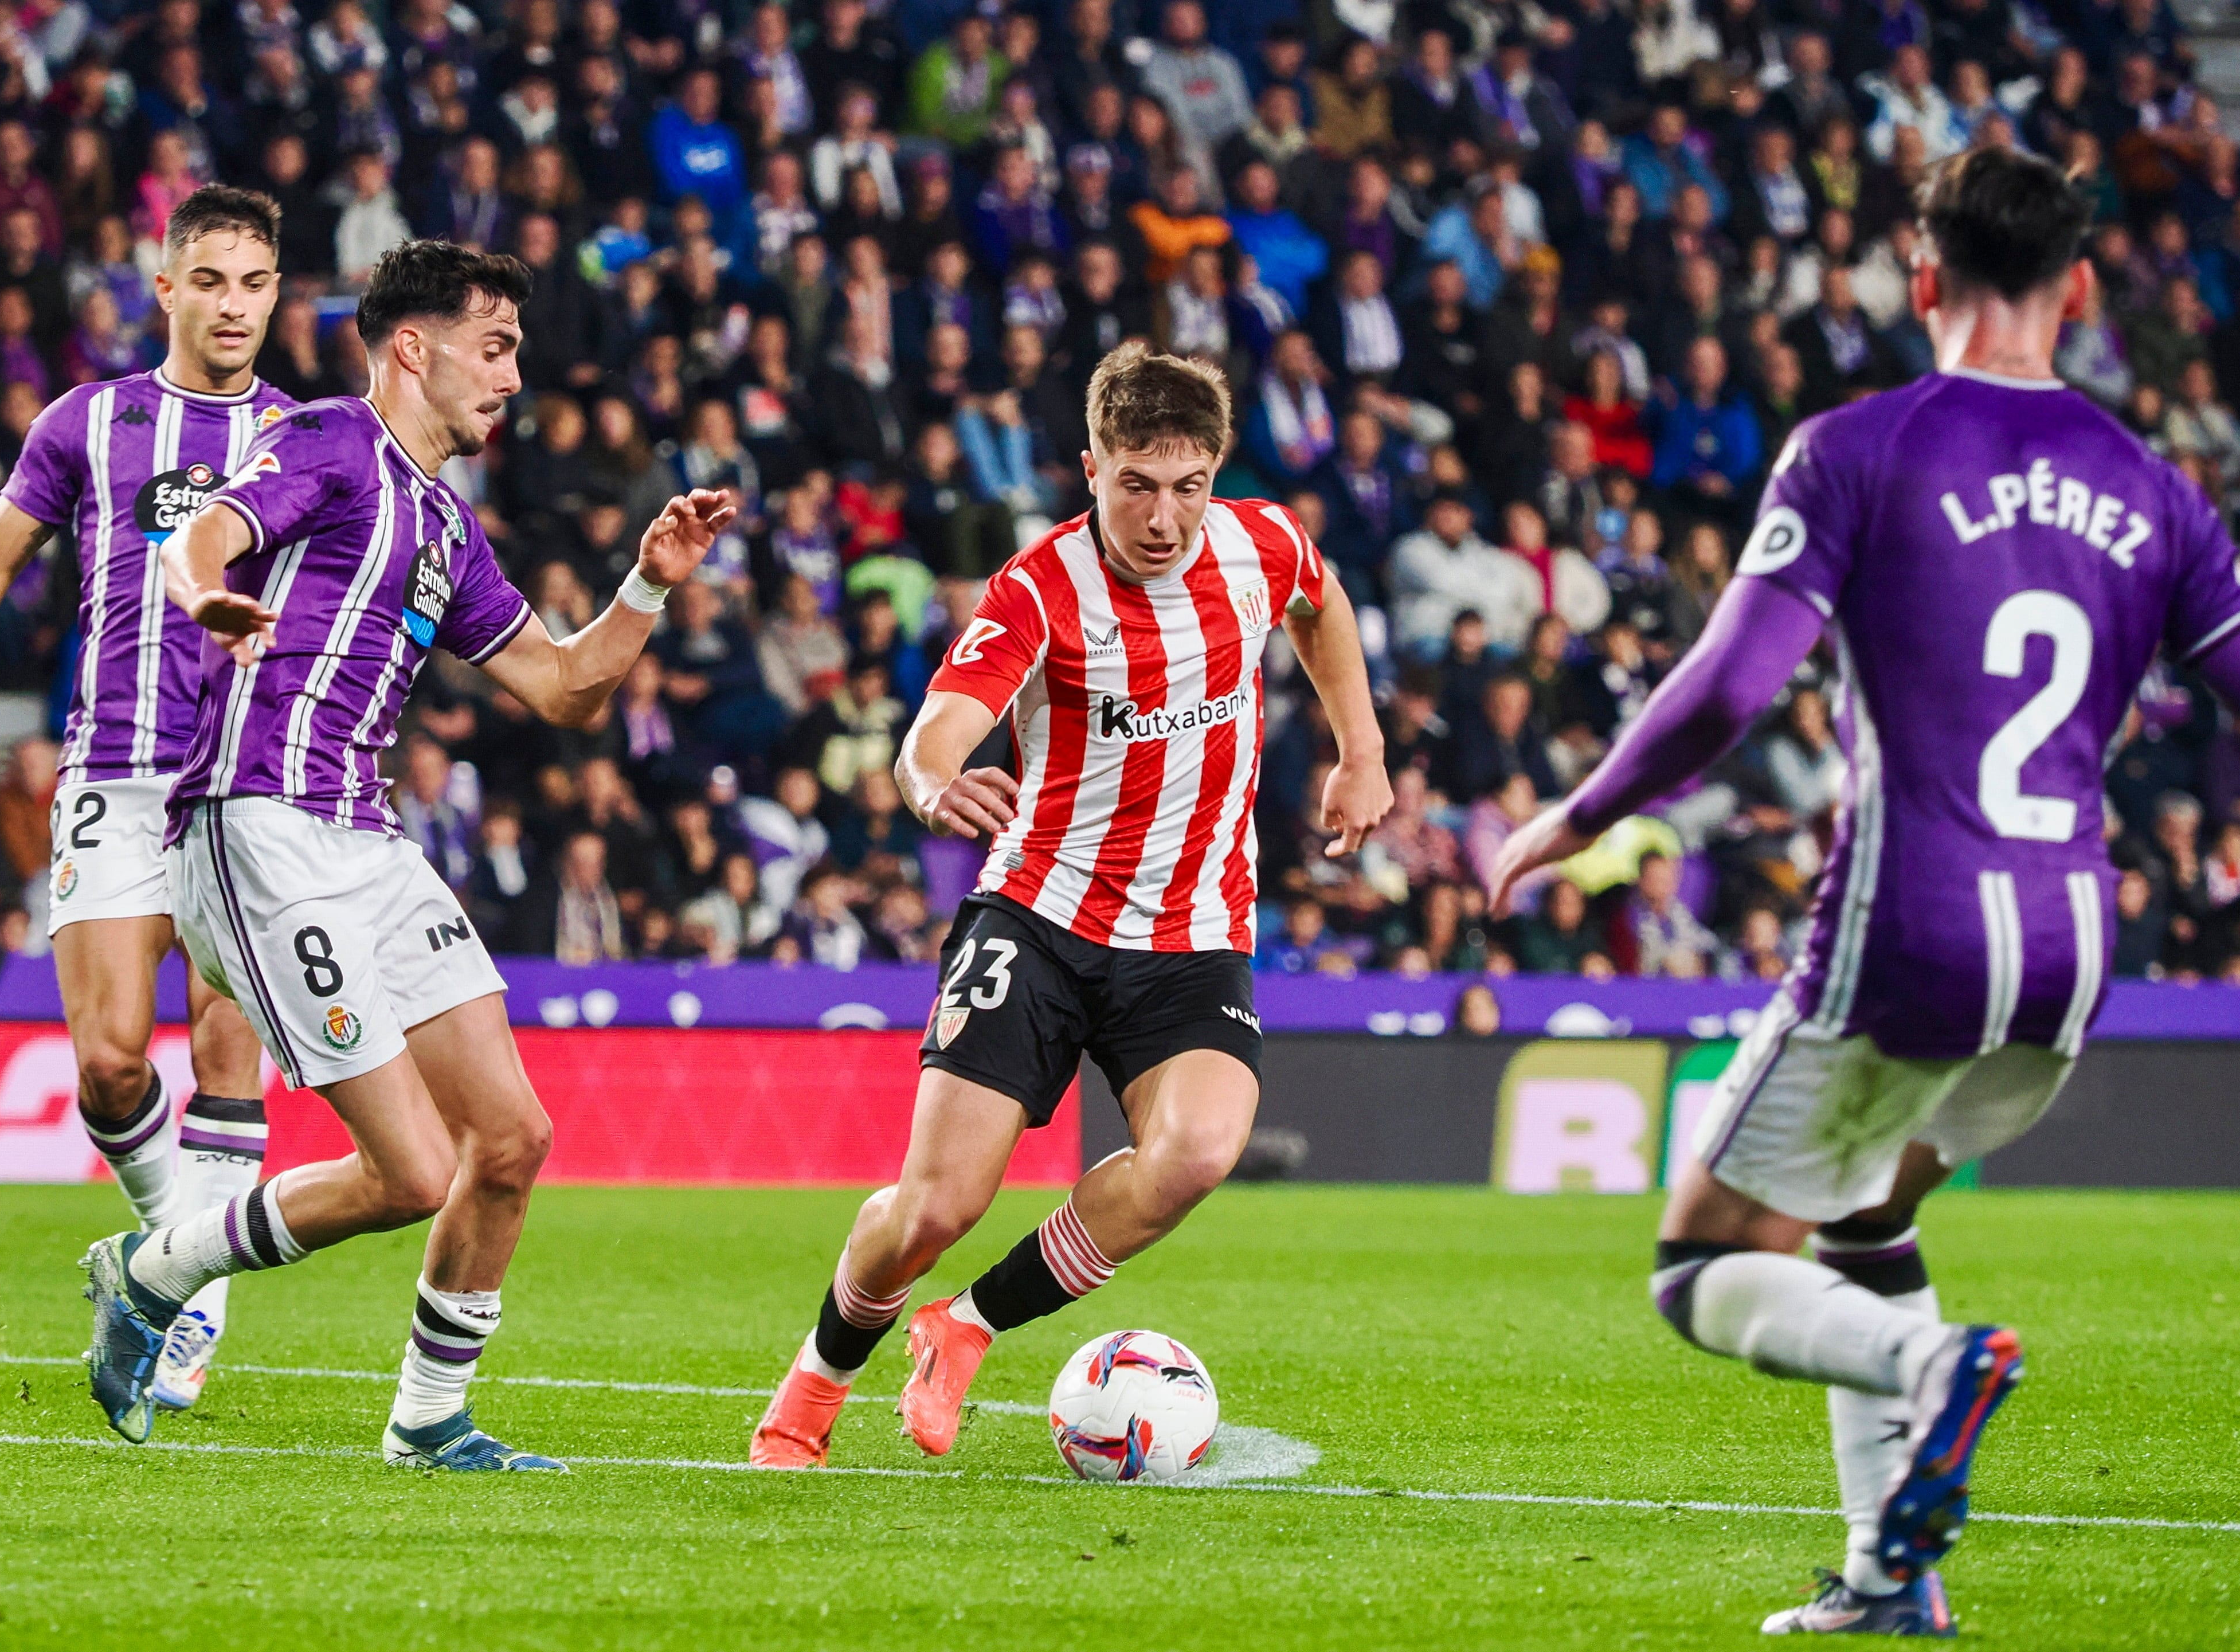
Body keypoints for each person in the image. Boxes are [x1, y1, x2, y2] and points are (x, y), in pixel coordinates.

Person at [1489, 148, 2240, 1635]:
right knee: (1859, 1222)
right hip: (2070, 956)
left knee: (1699, 1259)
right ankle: (1892, 1577)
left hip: (1907, 937)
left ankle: (1931, 1365)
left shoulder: (1861, 447)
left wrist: (1580, 814)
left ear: (1921, 280)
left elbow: (1731, 687)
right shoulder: (2160, 490)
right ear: (2077, 289)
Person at [79, 240, 735, 1468]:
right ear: (412, 349)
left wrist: (644, 587)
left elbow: (560, 688)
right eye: (494, 348)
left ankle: (430, 1420)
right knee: (412, 1169)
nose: (512, 376)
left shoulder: (445, 525)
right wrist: (209, 593)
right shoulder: (330, 442)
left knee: (514, 1139)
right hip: (256, 824)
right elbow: (200, 536)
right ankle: (151, 1268)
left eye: (518, 353)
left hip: (369, 843)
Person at [750, 340, 1390, 1469]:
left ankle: (968, 1325)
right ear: (1088, 466)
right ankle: (821, 1369)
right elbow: (937, 729)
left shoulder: (1258, 542)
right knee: (934, 1207)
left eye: (1187, 485)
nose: (1163, 515)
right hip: (1039, 917)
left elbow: (1320, 603)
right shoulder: (1039, 588)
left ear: (1216, 474)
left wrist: (1361, 747)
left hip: (1191, 929)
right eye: (1136, 483)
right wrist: (933, 779)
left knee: (1195, 1151)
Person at [0, 187, 288, 1414]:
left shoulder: (305, 436)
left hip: (246, 780)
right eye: (209, 279)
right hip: (113, 766)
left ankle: (188, 1306)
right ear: (166, 287)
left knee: (225, 1041)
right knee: (107, 1065)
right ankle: (168, 1253)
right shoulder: (90, 424)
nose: (231, 305)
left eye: (253, 283)